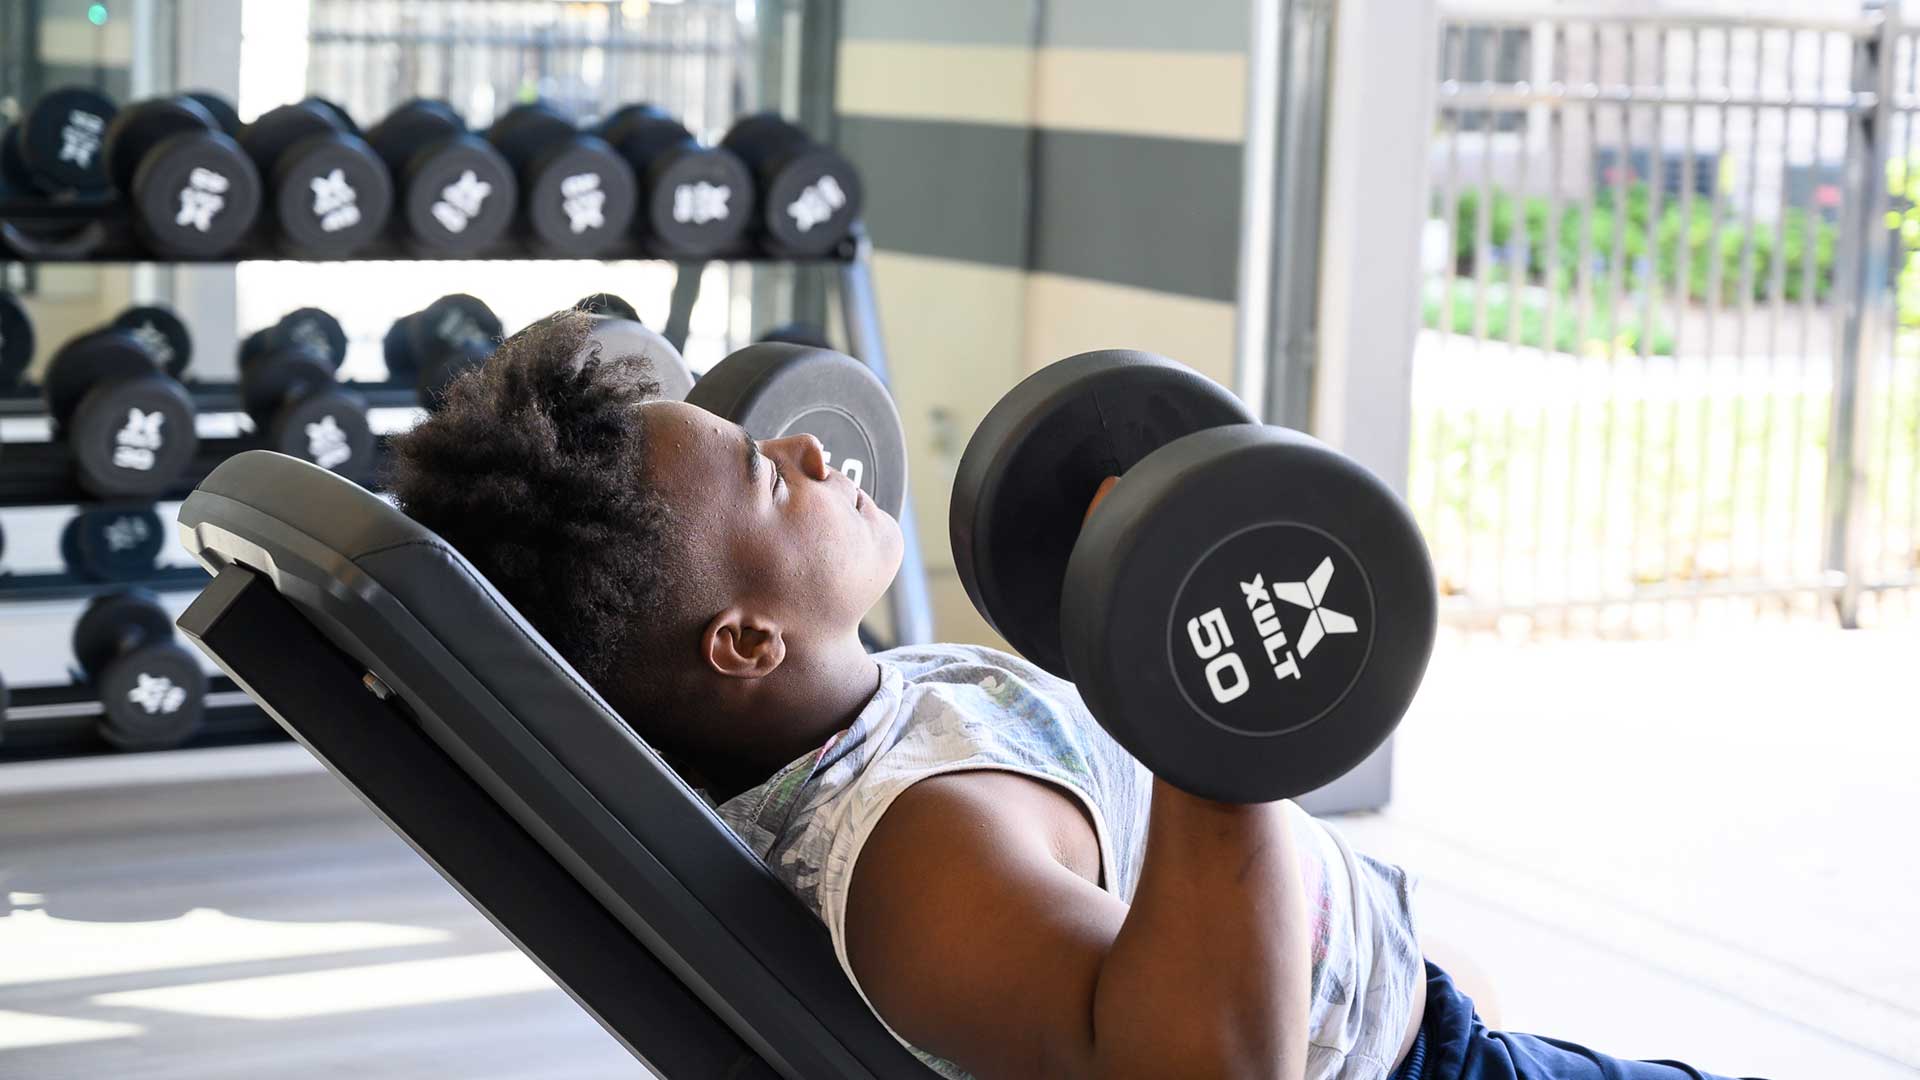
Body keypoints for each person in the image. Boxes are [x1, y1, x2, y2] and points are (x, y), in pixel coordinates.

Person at [387, 311, 1755, 1080]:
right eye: (761, 472)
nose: (807, 443)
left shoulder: (858, 722)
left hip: (1419, 1021)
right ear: (742, 644)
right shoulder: (921, 848)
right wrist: (1215, 716)